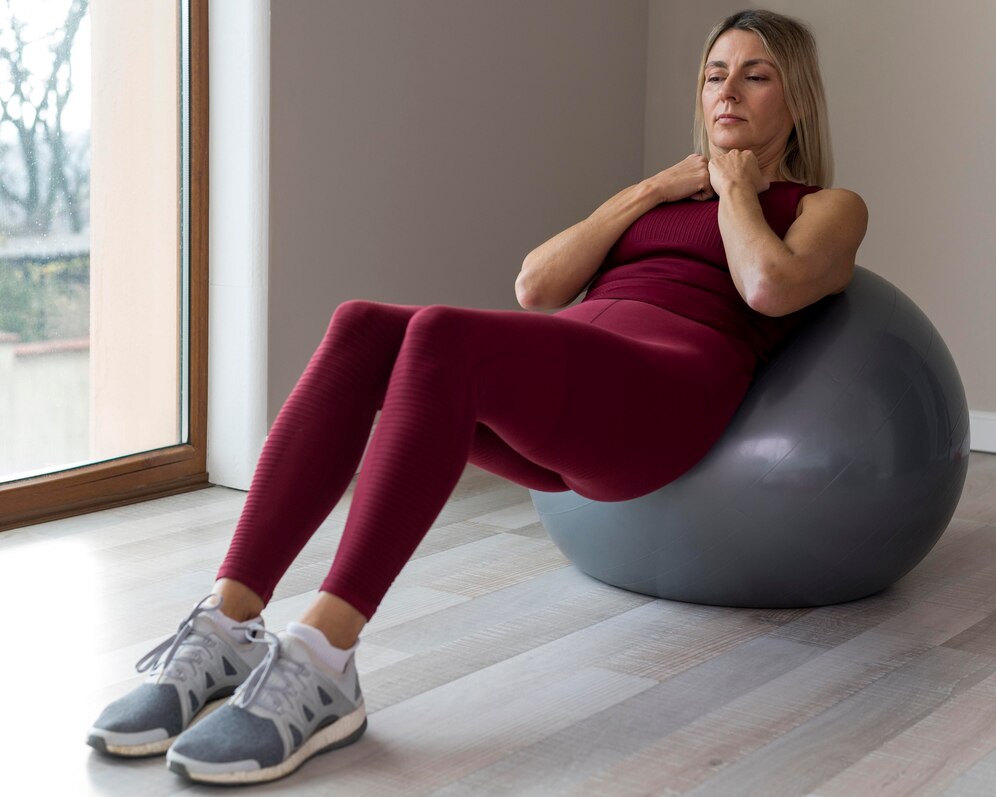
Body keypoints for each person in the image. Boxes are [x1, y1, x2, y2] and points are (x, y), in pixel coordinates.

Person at [87, 8, 867, 785]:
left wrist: (736, 186)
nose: (728, 91)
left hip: (658, 400)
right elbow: (536, 285)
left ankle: (324, 659)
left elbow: (767, 286)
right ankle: (228, 621)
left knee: (442, 333)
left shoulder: (825, 207)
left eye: (755, 75)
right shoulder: (661, 197)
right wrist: (654, 188)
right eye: (714, 74)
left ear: (795, 100)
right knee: (361, 325)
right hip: (581, 382)